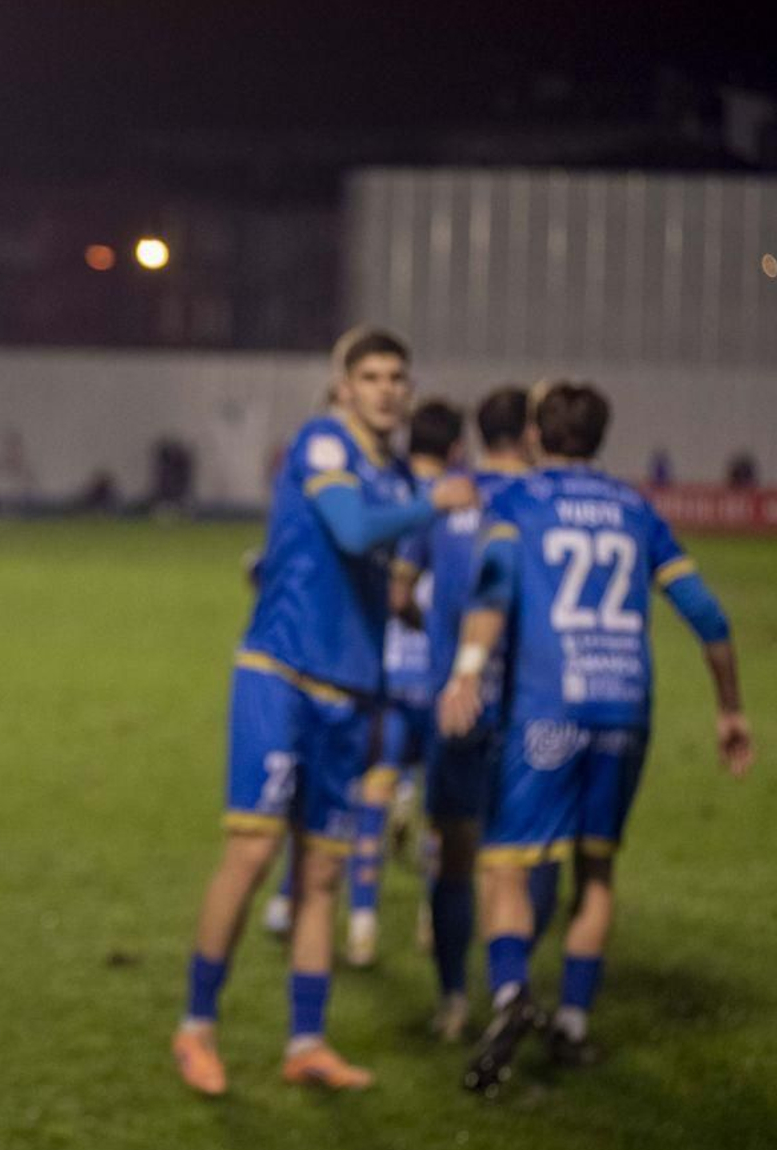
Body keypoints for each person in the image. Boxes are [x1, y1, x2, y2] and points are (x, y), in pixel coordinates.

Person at [172, 327, 475, 1094]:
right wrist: (432, 501)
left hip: (351, 695)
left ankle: (306, 1041)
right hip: (281, 679)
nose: (385, 388)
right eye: (369, 375)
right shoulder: (324, 447)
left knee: (321, 877)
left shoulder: (395, 471)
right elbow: (351, 530)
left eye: (396, 376)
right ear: (343, 387)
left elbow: (383, 568)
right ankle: (196, 1026)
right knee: (250, 855)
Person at [439, 382, 752, 1093]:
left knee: (508, 863)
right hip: (624, 713)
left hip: (548, 712)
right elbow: (708, 615)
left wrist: (466, 669)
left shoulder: (517, 501)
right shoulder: (636, 508)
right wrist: (730, 709)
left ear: (536, 435)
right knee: (597, 869)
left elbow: (492, 586)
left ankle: (514, 994)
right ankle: (574, 1023)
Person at [410, 386, 534, 1041]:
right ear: (530, 434)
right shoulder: (538, 502)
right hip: (527, 704)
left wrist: (433, 636)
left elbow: (403, 589)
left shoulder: (448, 498)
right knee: (521, 855)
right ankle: (514, 989)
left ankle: (454, 1000)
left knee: (455, 851)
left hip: (452, 697)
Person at [344, 398, 465, 969]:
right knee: (444, 809)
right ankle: (428, 917)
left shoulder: (385, 494)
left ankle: (362, 924)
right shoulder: (465, 504)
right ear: (457, 448)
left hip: (383, 677)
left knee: (370, 793)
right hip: (441, 679)